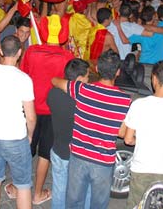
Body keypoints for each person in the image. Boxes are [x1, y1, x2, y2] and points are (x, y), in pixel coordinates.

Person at [51, 50, 131, 209]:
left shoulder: (82, 90)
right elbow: (122, 133)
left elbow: (55, 80)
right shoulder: (125, 100)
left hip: (78, 157)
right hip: (103, 162)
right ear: (118, 72)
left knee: (73, 203)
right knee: (98, 205)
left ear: (97, 69)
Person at [16, 19, 74, 205]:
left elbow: (23, 75)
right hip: (53, 111)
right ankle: (38, 193)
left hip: (30, 108)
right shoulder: (67, 56)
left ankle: (16, 187)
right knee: (45, 154)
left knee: (25, 149)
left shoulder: (31, 51)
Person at [0, 35, 37, 209]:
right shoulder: (24, 79)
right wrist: (30, 135)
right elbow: (31, 116)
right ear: (20, 52)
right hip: (16, 137)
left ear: (1, 51)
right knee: (23, 185)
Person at [121, 62, 163, 209]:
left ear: (154, 78)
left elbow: (128, 138)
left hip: (141, 168)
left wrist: (139, 140)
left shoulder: (139, 105)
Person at [47, 58, 91, 209]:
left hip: (59, 150)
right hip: (77, 154)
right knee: (85, 192)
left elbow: (55, 82)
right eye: (87, 77)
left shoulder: (53, 94)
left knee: (59, 190)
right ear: (79, 79)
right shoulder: (84, 101)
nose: (88, 80)